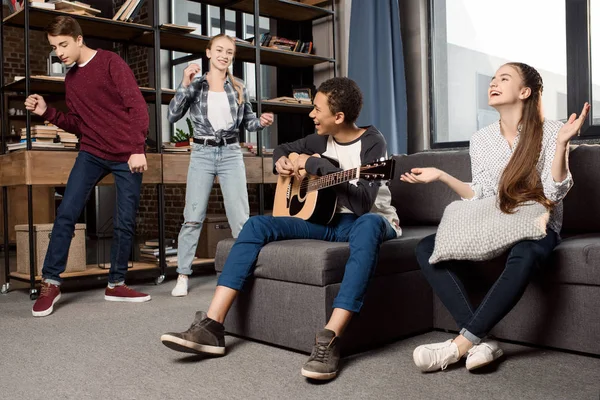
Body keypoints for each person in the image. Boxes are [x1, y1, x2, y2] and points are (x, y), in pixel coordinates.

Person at [160, 77, 401, 381]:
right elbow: (284, 149)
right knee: (257, 224)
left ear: (338, 117)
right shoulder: (319, 140)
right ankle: (212, 325)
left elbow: (365, 203)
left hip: (370, 221)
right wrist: (284, 162)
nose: (311, 114)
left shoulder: (372, 142)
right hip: (326, 223)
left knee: (367, 224)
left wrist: (318, 167)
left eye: (317, 109)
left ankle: (330, 337)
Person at [401, 62, 588, 372]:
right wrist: (442, 176)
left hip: (536, 225)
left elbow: (554, 193)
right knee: (426, 248)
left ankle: (459, 345)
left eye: (504, 78)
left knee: (526, 252)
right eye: (492, 79)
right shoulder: (481, 139)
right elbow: (484, 195)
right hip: (494, 222)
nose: (493, 83)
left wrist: (561, 145)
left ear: (525, 91)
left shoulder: (553, 130)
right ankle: (482, 341)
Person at [24, 16, 152, 317]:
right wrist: (48, 112)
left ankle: (116, 283)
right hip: (92, 151)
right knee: (67, 211)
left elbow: (137, 106)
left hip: (126, 154)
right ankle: (51, 282)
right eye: (55, 47)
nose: (60, 52)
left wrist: (137, 149)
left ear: (79, 39)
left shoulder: (110, 63)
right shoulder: (71, 79)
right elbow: (80, 125)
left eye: (64, 44)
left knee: (123, 220)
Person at [167, 33, 273, 297]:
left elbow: (248, 122)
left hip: (231, 153)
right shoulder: (196, 84)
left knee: (240, 218)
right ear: (208, 53)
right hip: (202, 153)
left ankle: (243, 272)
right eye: (220, 50)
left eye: (229, 52)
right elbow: (172, 115)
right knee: (192, 217)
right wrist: (183, 82)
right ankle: (183, 275)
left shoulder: (238, 86)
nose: (224, 55)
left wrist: (261, 122)